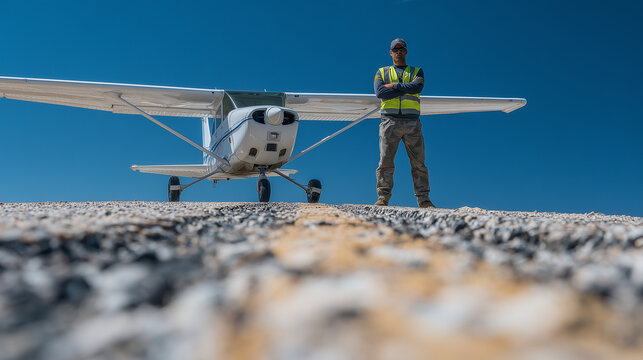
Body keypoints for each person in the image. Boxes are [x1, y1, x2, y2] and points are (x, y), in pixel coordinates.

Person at [374, 38, 435, 208]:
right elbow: (380, 92)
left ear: (406, 51)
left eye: (401, 49)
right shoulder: (381, 72)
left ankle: (424, 200)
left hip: (412, 122)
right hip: (389, 121)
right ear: (391, 52)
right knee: (385, 162)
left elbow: (417, 88)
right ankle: (383, 198)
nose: (398, 51)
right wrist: (404, 88)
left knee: (419, 163)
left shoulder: (417, 71)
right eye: (396, 49)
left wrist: (393, 85)